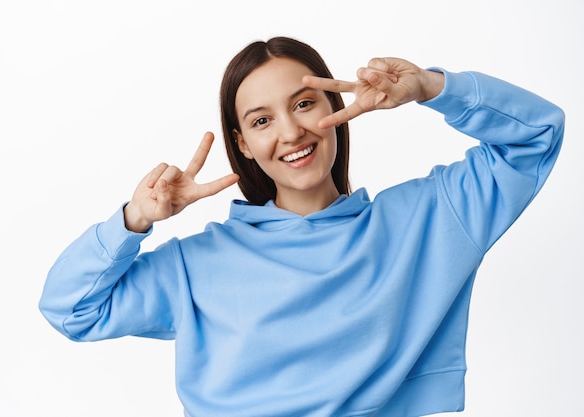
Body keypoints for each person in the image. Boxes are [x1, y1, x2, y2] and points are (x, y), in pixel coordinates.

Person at [39, 36, 564, 417]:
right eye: (262, 120)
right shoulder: (197, 264)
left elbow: (538, 135)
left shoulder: (427, 219)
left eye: (304, 103)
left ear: (337, 105)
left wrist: (431, 87)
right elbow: (71, 310)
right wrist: (133, 222)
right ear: (242, 143)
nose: (290, 132)